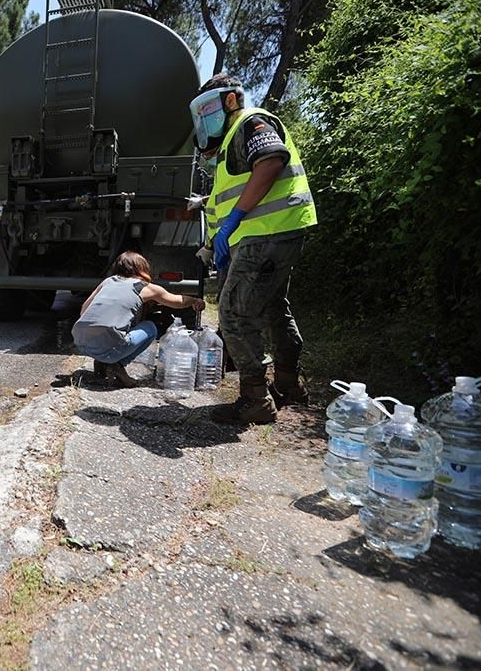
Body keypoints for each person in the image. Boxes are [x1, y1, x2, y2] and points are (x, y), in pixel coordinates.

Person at [188, 74, 318, 424]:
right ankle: (289, 385)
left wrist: (235, 220)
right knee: (275, 307)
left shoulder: (250, 121)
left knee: (233, 313)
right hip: (276, 233)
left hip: (268, 235)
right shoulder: (231, 143)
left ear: (230, 100)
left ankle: (255, 400)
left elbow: (272, 160)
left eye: (209, 108)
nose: (206, 118)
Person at [73, 251, 205, 387]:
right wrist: (194, 300)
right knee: (150, 327)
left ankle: (101, 364)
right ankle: (117, 365)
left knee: (111, 325)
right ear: (141, 268)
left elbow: (84, 310)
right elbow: (177, 301)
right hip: (109, 349)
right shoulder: (144, 287)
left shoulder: (108, 281)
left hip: (82, 344)